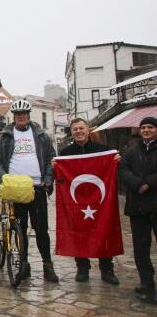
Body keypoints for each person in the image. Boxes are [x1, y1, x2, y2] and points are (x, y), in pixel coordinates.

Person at [0, 99, 59, 282]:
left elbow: (50, 160)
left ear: (29, 116)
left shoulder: (41, 136)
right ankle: (24, 264)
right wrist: (3, 179)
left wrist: (47, 180)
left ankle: (47, 265)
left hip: (36, 188)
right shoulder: (4, 136)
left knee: (41, 230)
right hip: (15, 189)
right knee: (20, 229)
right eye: (18, 115)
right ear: (14, 117)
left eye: (24, 114)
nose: (21, 117)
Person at [58, 117, 120, 284]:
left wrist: (115, 161)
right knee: (79, 232)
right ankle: (82, 267)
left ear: (88, 130)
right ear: (71, 133)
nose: (78, 132)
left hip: (99, 201)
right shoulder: (65, 154)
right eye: (75, 129)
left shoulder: (103, 150)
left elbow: (113, 172)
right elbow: (61, 179)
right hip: (76, 202)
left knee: (104, 231)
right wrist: (56, 167)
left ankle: (107, 269)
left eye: (81, 128)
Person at [119, 116, 157, 303]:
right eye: (144, 127)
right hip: (138, 206)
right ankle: (146, 283)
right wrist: (137, 184)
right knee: (141, 248)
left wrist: (148, 183)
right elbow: (123, 170)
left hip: (155, 203)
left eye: (150, 127)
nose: (147, 130)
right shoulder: (131, 151)